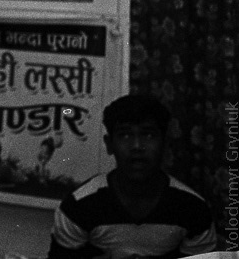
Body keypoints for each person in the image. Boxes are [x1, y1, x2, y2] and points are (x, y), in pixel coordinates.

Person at [48, 94, 217, 258]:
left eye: (148, 135)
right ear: (109, 144)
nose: (137, 146)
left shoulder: (193, 210)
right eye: (125, 135)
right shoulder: (78, 207)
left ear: (165, 143)